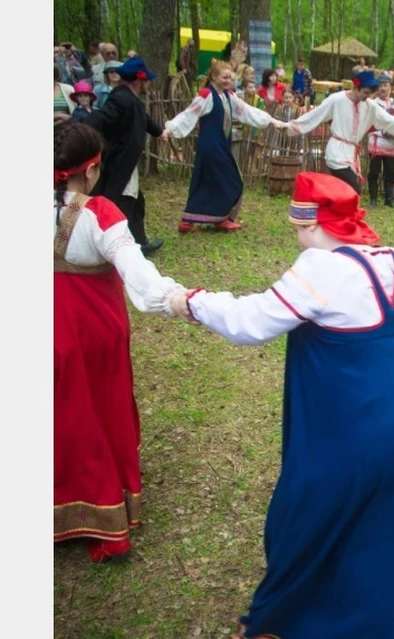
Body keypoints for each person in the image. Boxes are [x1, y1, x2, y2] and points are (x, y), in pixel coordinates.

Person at [171, 172, 394, 639]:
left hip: (346, 423)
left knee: (309, 518)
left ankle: (311, 618)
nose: (297, 238)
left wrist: (187, 301)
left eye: (298, 228)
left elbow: (247, 323)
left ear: (314, 224)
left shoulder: (320, 268)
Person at [53, 122, 188, 563]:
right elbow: (136, 268)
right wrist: (173, 298)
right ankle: (104, 514)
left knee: (60, 416)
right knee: (98, 412)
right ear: (91, 169)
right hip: (95, 335)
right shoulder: (99, 213)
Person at [165, 60, 282, 233]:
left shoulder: (228, 96)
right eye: (225, 77)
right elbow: (189, 114)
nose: (228, 81)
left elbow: (247, 111)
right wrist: (170, 129)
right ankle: (220, 218)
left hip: (221, 144)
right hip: (211, 145)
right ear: (214, 77)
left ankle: (190, 220)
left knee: (206, 180)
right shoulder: (206, 94)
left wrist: (272, 121)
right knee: (232, 180)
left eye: (231, 78)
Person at [283, 69, 394, 194]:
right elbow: (314, 116)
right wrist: (289, 127)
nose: (368, 96)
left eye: (370, 93)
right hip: (336, 153)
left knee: (343, 192)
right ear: (356, 87)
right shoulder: (336, 100)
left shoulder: (369, 105)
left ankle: (332, 216)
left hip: (350, 154)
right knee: (353, 191)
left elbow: (391, 122)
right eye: (366, 92)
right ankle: (336, 216)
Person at [87, 57, 170, 255]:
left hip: (127, 163)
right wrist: (83, 129)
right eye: (146, 80)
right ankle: (118, 245)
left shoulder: (131, 99)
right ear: (138, 80)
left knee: (135, 202)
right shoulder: (121, 98)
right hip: (119, 163)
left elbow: (145, 119)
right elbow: (104, 117)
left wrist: (159, 132)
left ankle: (139, 242)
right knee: (120, 204)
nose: (148, 83)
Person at [366, 72, 394, 208]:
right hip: (377, 142)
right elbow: (367, 123)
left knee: (389, 172)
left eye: (385, 85)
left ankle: (389, 198)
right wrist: (382, 131)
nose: (383, 88)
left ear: (391, 87)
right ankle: (373, 198)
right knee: (374, 171)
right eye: (380, 86)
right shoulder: (371, 104)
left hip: (391, 144)